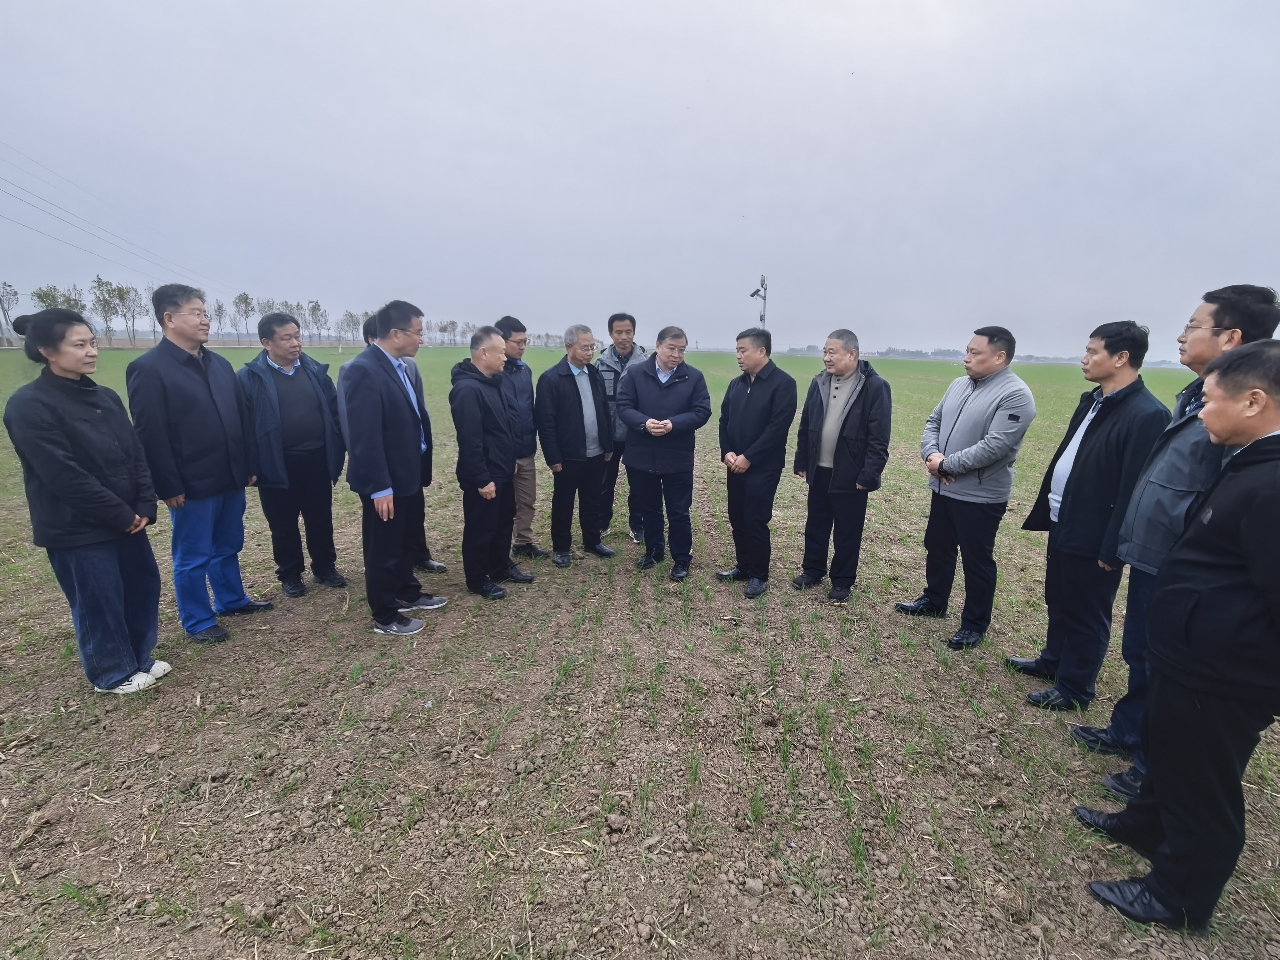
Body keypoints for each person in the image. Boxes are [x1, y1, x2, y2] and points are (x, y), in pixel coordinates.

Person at [1076, 339, 1280, 930]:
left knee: (1202, 782)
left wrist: (1237, 660)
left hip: (1223, 670)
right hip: (1189, 652)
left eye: (1209, 401)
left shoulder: (1273, 484)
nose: (1199, 412)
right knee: (1169, 751)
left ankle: (1180, 897)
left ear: (1254, 402)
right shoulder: (1249, 460)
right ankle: (1144, 825)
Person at [1068, 285, 1279, 802]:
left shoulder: (1237, 417)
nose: (1181, 336)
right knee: (1143, 651)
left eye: (1192, 326)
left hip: (1186, 568)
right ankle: (1131, 735)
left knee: (1166, 665)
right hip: (1158, 554)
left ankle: (1152, 771)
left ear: (1231, 338)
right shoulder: (1198, 396)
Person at [4, 310, 165, 694]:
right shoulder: (29, 405)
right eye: (80, 345)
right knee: (98, 598)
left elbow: (135, 453)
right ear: (47, 351)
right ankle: (111, 672)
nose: (91, 351)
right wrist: (119, 514)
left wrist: (145, 504)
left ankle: (139, 657)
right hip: (77, 526)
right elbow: (62, 474)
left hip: (129, 519)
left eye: (92, 343)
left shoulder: (104, 396)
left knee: (141, 587)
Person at [1011, 322, 1170, 710]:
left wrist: (1113, 547)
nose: (1084, 358)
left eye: (1092, 351)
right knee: (1059, 597)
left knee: (1087, 611)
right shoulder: (1094, 400)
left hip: (1097, 532)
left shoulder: (1147, 414)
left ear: (1121, 358)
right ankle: (1053, 661)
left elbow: (1134, 489)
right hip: (1065, 518)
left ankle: (1076, 688)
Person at [126, 284, 271, 643]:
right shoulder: (149, 369)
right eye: (196, 313)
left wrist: (249, 463)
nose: (205, 320)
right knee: (193, 555)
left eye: (206, 313)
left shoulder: (219, 364)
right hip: (190, 483)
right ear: (169, 318)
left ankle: (231, 600)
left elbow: (242, 419)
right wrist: (167, 484)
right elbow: (150, 434)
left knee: (229, 543)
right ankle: (198, 619)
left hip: (230, 475)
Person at [895, 327, 1036, 649]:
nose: (966, 358)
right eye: (967, 351)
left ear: (1000, 357)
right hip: (943, 488)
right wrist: (931, 455)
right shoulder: (958, 385)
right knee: (938, 546)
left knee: (977, 561)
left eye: (975, 353)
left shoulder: (1015, 395)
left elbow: (995, 446)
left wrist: (946, 465)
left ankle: (974, 624)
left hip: (980, 496)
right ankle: (934, 600)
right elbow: (933, 422)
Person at [342, 301, 448, 635]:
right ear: (396, 334)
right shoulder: (363, 370)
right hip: (384, 479)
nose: (421, 339)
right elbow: (364, 436)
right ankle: (385, 615)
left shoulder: (398, 367)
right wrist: (380, 486)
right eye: (417, 333)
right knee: (383, 548)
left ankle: (407, 592)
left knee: (404, 541)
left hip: (407, 472)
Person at [238, 312, 347, 598]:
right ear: (266, 342)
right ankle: (290, 574)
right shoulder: (249, 379)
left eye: (297, 336)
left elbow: (335, 412)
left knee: (320, 519)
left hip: (316, 459)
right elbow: (243, 427)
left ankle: (325, 567)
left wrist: (338, 446)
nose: (295, 343)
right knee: (283, 524)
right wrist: (250, 465)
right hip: (275, 463)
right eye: (286, 338)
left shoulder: (315, 371)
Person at [791, 329, 891, 604]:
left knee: (848, 530)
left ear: (852, 354)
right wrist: (802, 460)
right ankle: (813, 570)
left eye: (831, 352)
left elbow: (879, 437)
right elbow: (806, 425)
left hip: (850, 472)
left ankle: (842, 580)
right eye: (824, 352)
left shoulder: (874, 387)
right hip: (819, 469)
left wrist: (868, 475)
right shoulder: (819, 382)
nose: (826, 357)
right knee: (816, 523)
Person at [616, 326, 712, 581]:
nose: (676, 355)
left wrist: (674, 424)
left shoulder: (694, 377)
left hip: (677, 455)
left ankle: (681, 558)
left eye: (682, 350)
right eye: (671, 348)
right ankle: (654, 550)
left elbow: (702, 411)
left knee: (679, 511)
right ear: (657, 346)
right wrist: (644, 423)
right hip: (641, 454)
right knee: (649, 507)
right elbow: (624, 406)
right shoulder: (636, 373)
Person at [715, 327, 797, 598]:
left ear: (761, 351)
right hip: (734, 464)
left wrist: (749, 457)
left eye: (743, 350)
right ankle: (743, 566)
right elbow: (724, 420)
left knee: (755, 519)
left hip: (763, 466)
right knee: (737, 517)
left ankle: (759, 575)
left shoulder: (783, 384)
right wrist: (727, 451)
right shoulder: (736, 384)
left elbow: (777, 429)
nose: (738, 356)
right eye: (737, 350)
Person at [450, 327, 530, 599]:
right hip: (484, 475)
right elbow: (470, 440)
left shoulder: (494, 383)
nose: (505, 357)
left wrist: (510, 460)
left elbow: (503, 428)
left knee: (503, 522)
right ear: (483, 353)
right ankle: (477, 578)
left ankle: (499, 566)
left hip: (503, 469)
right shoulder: (467, 390)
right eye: (501, 352)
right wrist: (482, 479)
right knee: (481, 528)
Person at [534, 325, 617, 568]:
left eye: (592, 347)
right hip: (568, 455)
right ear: (568, 347)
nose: (590, 352)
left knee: (592, 500)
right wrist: (553, 457)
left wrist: (607, 444)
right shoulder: (551, 379)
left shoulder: (594, 374)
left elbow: (604, 411)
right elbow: (545, 422)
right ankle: (561, 548)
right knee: (564, 503)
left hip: (596, 452)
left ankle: (592, 541)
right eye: (584, 348)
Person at [495, 316, 550, 560]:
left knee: (527, 500)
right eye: (517, 342)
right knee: (503, 505)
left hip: (526, 449)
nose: (523, 346)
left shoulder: (524, 370)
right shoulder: (493, 373)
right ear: (501, 341)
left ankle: (523, 542)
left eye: (525, 341)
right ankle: (499, 549)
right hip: (503, 453)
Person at [596, 313, 647, 542]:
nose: (624, 337)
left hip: (637, 433)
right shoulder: (600, 362)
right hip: (609, 434)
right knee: (604, 482)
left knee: (638, 483)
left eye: (628, 332)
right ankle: (601, 523)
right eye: (619, 332)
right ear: (610, 334)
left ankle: (638, 526)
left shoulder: (646, 363)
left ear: (634, 333)